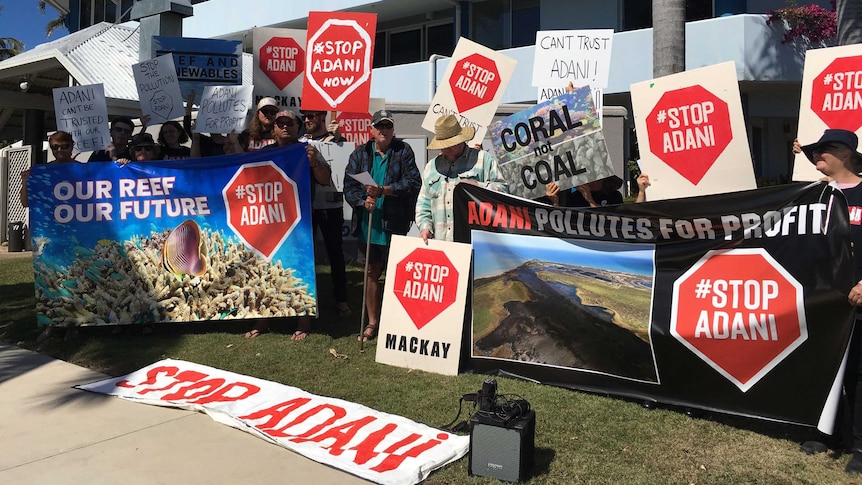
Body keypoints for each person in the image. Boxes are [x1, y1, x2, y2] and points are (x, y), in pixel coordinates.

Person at [794, 129, 862, 474]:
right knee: (826, 367)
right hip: (824, 302)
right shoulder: (816, 196)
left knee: (859, 374)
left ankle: (860, 446)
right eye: (814, 152)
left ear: (846, 154)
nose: (817, 156)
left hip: (858, 300)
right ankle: (825, 432)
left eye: (824, 151)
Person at [244, 110, 332, 341]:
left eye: (289, 123)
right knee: (264, 269)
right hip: (270, 221)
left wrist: (314, 164)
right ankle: (263, 319)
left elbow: (324, 179)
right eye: (280, 123)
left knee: (301, 268)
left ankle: (304, 321)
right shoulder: (263, 153)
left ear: (297, 127)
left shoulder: (308, 151)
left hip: (300, 221)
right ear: (273, 129)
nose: (285, 127)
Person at [344, 109, 421, 341]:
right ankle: (372, 322)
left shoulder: (403, 150)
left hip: (395, 222)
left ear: (393, 129)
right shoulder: (360, 153)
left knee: (398, 274)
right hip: (369, 224)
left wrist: (384, 190)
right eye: (380, 126)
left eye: (388, 126)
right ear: (372, 129)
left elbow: (413, 182)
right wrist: (362, 200)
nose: (384, 130)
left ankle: (396, 321)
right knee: (370, 273)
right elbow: (349, 184)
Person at [416, 114, 507, 244]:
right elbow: (423, 205)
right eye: (443, 144)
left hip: (476, 244)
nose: (447, 148)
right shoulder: (431, 167)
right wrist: (425, 228)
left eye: (451, 143)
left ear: (461, 140)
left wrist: (477, 186)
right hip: (441, 244)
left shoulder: (483, 160)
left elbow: (503, 191)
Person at [300, 109, 351, 316]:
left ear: (323, 117)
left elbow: (344, 160)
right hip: (306, 207)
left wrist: (339, 138)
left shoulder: (336, 139)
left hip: (331, 206)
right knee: (305, 254)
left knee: (335, 255)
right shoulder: (299, 140)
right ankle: (305, 299)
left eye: (311, 116)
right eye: (305, 116)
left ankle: (341, 300)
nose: (307, 120)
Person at [20, 131, 78, 207]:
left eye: (64, 146)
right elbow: (25, 202)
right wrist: (25, 182)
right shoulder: (42, 172)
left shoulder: (85, 170)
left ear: (72, 146)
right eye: (55, 147)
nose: (59, 150)